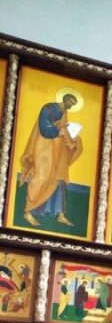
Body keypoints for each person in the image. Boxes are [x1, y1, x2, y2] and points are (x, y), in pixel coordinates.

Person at [19, 93, 82, 228]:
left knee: (59, 178)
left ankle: (60, 214)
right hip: (44, 147)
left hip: (58, 150)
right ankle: (28, 211)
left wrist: (72, 139)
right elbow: (44, 128)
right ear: (64, 99)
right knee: (41, 177)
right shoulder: (48, 108)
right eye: (70, 102)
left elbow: (64, 130)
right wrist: (59, 130)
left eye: (73, 104)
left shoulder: (64, 113)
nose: (70, 105)